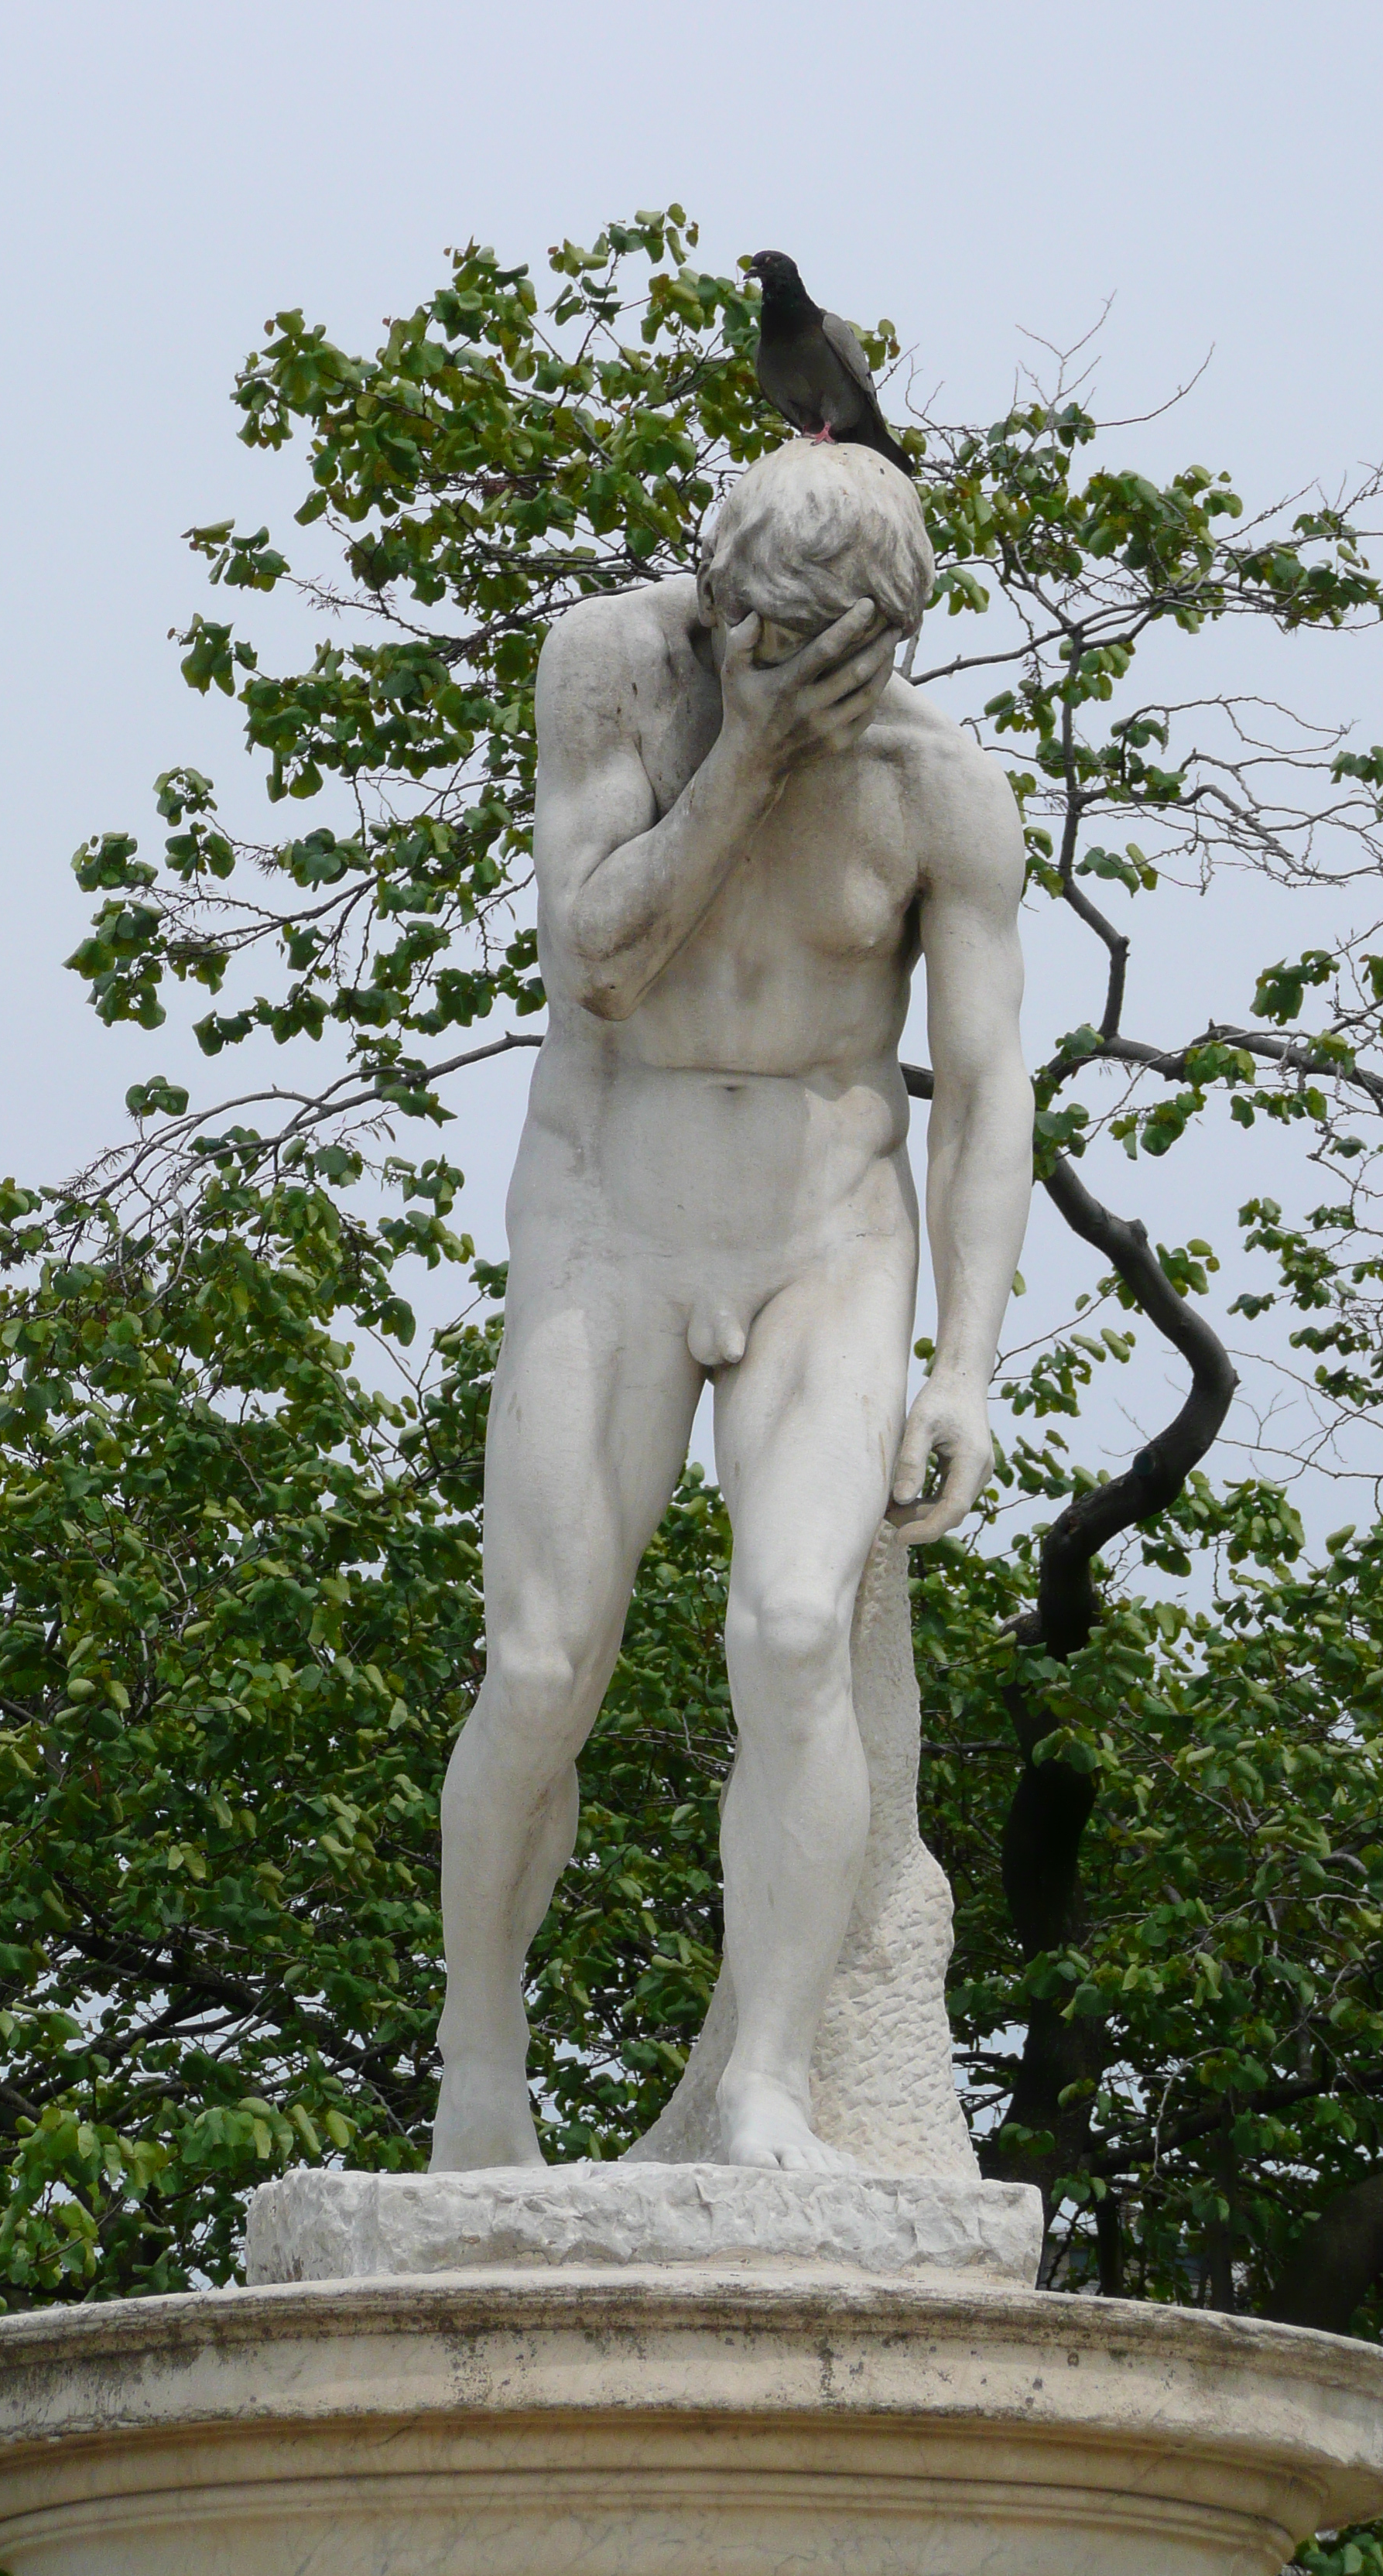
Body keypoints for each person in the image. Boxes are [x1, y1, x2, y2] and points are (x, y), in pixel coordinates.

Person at [432, 440, 1032, 2174]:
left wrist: (968, 1367)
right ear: (718, 600)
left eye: (856, 657)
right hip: (609, 1208)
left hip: (828, 1231)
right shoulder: (614, 671)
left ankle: (769, 2074)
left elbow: (988, 1087)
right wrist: (750, 761)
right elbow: (599, 952)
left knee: (788, 1632)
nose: (822, 686)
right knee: (542, 1666)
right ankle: (482, 2055)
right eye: (781, 645)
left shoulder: (942, 786)